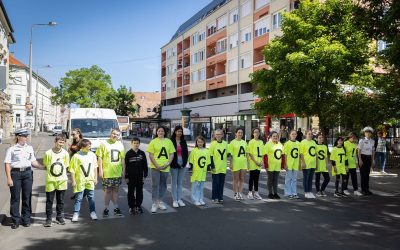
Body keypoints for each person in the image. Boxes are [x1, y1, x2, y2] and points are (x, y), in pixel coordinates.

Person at [4, 128, 44, 229]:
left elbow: (33, 162)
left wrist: (44, 167)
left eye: (27, 136)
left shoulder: (29, 148)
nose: (26, 137)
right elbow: (7, 164)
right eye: (24, 136)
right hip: (15, 174)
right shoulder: (12, 149)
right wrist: (9, 178)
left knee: (27, 197)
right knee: (15, 198)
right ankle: (16, 220)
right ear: (18, 137)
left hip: (27, 173)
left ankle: (26, 219)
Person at [96, 128, 126, 217]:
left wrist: (124, 170)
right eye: (113, 133)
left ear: (119, 136)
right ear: (110, 134)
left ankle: (116, 207)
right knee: (108, 191)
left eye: (117, 134)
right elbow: (100, 158)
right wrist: (100, 170)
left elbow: (122, 159)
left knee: (116, 191)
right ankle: (106, 208)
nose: (115, 135)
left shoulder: (120, 144)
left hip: (117, 172)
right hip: (107, 172)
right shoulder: (104, 144)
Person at [147, 126, 175, 213]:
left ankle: (160, 201)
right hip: (155, 167)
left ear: (164, 132)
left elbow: (171, 154)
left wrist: (167, 164)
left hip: (165, 167)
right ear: (156, 132)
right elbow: (151, 155)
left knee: (163, 185)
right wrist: (156, 165)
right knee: (155, 185)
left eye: (162, 131)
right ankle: (155, 203)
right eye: (159, 131)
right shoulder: (153, 141)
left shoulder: (169, 141)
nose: (160, 132)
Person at [43, 135, 70, 227]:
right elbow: (46, 164)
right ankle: (48, 219)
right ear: (55, 141)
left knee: (60, 200)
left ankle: (59, 216)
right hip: (50, 180)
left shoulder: (65, 153)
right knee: (49, 201)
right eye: (59, 142)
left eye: (62, 142)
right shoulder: (48, 153)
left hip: (62, 180)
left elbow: (66, 165)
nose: (61, 144)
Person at [70, 139, 98, 222]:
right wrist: (73, 181)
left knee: (91, 197)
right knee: (79, 198)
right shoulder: (76, 156)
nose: (90, 147)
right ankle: (76, 213)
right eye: (88, 146)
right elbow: (72, 169)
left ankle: (93, 212)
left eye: (90, 146)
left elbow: (95, 167)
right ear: (82, 147)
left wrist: (95, 178)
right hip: (80, 180)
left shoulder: (92, 155)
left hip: (90, 180)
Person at [125, 137, 148, 214]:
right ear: (131, 144)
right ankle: (131, 207)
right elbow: (126, 166)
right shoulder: (128, 153)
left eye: (137, 143)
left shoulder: (142, 153)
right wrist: (126, 176)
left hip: (139, 176)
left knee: (139, 192)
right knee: (131, 192)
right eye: (134, 143)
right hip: (131, 177)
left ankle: (138, 206)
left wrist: (145, 175)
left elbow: (145, 165)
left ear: (139, 144)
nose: (136, 145)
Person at [169, 125, 188, 208]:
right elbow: (170, 154)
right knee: (174, 183)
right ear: (175, 132)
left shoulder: (183, 141)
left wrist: (184, 164)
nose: (179, 133)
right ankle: (175, 200)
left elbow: (186, 153)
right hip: (174, 164)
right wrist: (174, 164)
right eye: (178, 131)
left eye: (181, 131)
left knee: (180, 183)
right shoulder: (171, 141)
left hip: (182, 164)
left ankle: (179, 199)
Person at [189, 136, 211, 206]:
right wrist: (190, 170)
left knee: (201, 186)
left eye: (201, 142)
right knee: (195, 186)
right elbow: (191, 162)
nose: (200, 143)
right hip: (196, 171)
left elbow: (208, 162)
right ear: (196, 143)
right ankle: (195, 199)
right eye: (198, 142)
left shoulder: (206, 151)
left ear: (203, 142)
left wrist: (208, 169)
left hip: (203, 171)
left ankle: (200, 198)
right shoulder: (194, 151)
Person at [228, 128, 248, 201]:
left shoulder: (244, 142)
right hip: (236, 162)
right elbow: (231, 155)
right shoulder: (232, 142)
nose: (240, 134)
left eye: (241, 133)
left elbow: (247, 153)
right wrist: (231, 164)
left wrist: (247, 163)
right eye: (239, 132)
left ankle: (240, 193)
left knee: (242, 179)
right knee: (235, 179)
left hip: (243, 162)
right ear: (236, 133)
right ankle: (235, 193)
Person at [209, 129, 228, 203]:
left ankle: (220, 197)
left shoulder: (225, 143)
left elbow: (228, 153)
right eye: (216, 134)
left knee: (221, 183)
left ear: (222, 135)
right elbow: (210, 156)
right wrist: (212, 166)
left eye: (219, 134)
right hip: (215, 167)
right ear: (214, 135)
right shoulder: (212, 144)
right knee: (215, 183)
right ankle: (214, 197)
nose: (218, 136)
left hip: (223, 167)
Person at [247, 128, 264, 200]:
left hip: (259, 163)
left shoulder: (261, 142)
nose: (256, 133)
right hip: (253, 162)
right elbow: (250, 153)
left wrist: (261, 161)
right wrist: (255, 161)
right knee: (252, 178)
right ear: (253, 134)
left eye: (258, 132)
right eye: (255, 132)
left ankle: (256, 193)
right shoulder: (251, 142)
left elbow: (263, 152)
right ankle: (250, 192)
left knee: (257, 179)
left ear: (259, 133)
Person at [300, 130, 318, 199]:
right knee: (306, 178)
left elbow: (315, 153)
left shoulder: (314, 142)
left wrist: (316, 163)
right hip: (306, 163)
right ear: (306, 134)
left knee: (310, 178)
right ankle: (306, 192)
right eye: (309, 134)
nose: (310, 135)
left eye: (311, 134)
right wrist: (303, 162)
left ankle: (310, 191)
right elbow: (301, 153)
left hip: (313, 163)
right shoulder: (303, 142)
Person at [357, 127, 375, 195]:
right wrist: (360, 160)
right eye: (366, 132)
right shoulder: (362, 140)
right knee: (363, 175)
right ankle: (363, 189)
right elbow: (359, 150)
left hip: (368, 158)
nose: (368, 133)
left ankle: (367, 189)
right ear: (364, 133)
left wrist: (373, 160)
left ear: (371, 134)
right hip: (363, 157)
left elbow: (373, 151)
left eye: (369, 132)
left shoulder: (373, 141)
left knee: (367, 174)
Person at [265, 131, 283, 199]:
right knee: (270, 179)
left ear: (278, 137)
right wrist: (266, 165)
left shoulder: (280, 145)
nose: (275, 137)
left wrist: (282, 164)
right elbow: (265, 155)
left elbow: (282, 155)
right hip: (270, 165)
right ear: (271, 137)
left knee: (276, 180)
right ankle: (270, 193)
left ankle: (275, 193)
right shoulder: (268, 144)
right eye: (274, 136)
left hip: (277, 165)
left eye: (276, 136)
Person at [283, 130, 301, 199]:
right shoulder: (287, 143)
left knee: (294, 179)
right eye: (292, 134)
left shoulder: (298, 143)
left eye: (295, 134)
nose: (294, 135)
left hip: (295, 163)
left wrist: (299, 163)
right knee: (288, 178)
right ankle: (288, 193)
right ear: (290, 135)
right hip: (289, 163)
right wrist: (285, 164)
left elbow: (299, 154)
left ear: (296, 135)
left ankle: (294, 192)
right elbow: (285, 155)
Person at [315, 133, 330, 197]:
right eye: (319, 138)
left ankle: (322, 190)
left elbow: (326, 156)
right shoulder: (315, 146)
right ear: (317, 139)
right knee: (317, 179)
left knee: (327, 178)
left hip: (323, 164)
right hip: (318, 164)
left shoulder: (324, 146)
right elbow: (315, 156)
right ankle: (318, 191)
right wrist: (316, 164)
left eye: (322, 138)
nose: (321, 139)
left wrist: (327, 164)